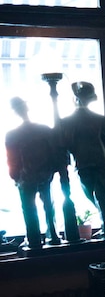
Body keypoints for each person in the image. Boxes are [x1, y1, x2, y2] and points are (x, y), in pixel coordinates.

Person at [59, 81, 105, 238]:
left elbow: (67, 145)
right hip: (101, 163)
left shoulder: (67, 122)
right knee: (104, 197)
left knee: (92, 195)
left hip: (83, 163)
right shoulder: (99, 119)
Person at [5, 96, 62, 249]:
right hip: (45, 174)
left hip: (25, 177)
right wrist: (52, 170)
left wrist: (16, 177)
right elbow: (54, 153)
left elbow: (12, 160)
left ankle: (34, 239)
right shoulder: (44, 130)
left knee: (29, 209)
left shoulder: (12, 135)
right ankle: (54, 234)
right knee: (48, 205)